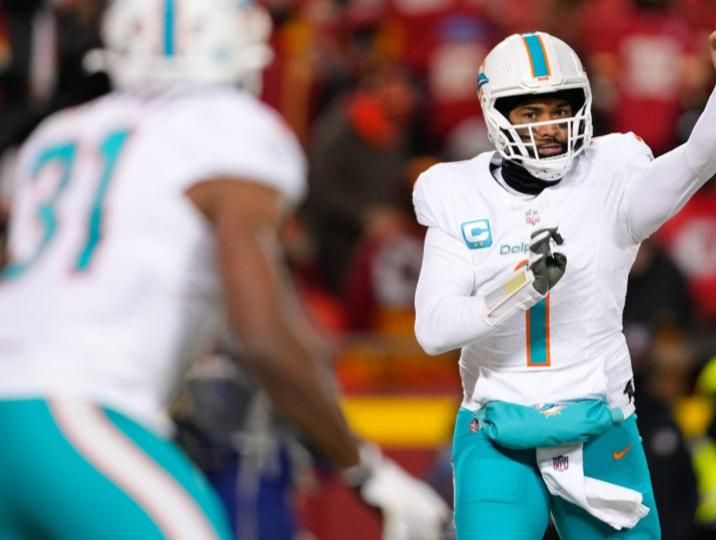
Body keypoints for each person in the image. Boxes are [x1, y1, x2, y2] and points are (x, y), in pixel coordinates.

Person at [0, 1, 448, 539]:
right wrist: (364, 470)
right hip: (76, 405)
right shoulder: (229, 129)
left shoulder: (59, 134)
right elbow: (260, 333)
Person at [413, 24, 716, 540]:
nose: (549, 125)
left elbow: (693, 163)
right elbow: (433, 328)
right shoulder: (458, 192)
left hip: (600, 421)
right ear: (494, 112)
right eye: (530, 111)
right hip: (498, 431)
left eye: (560, 107)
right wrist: (518, 288)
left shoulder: (611, 174)